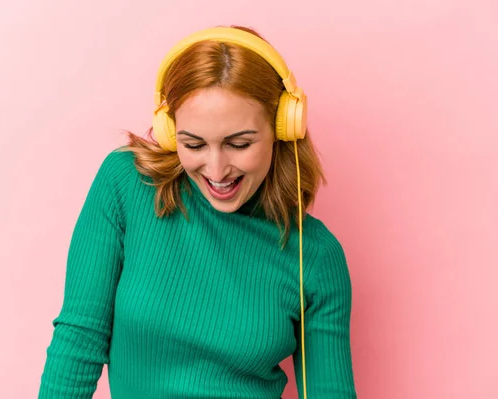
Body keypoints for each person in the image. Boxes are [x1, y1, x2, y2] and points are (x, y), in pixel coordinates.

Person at [38, 25, 357, 399]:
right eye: (194, 144)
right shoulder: (125, 185)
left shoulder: (315, 256)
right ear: (171, 132)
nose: (217, 170)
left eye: (239, 144)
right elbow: (80, 339)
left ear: (282, 127)